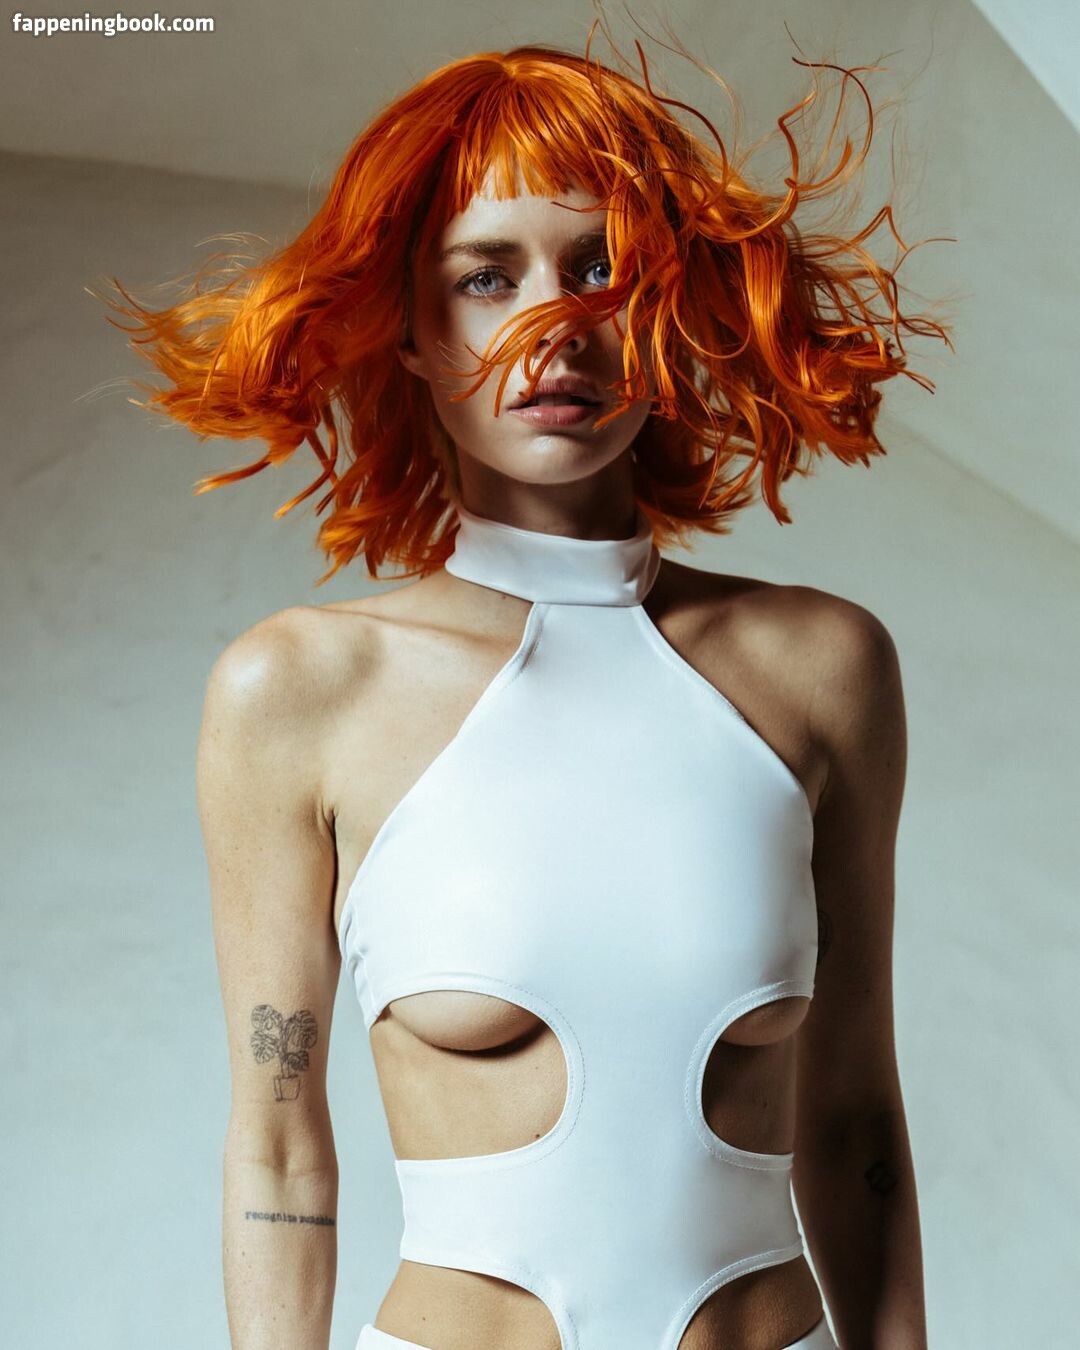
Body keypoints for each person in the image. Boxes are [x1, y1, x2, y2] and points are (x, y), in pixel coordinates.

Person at [102, 30, 948, 1350]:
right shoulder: (302, 691)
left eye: (601, 266)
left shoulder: (824, 668)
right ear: (412, 330)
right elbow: (279, 1147)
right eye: (486, 275)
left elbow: (855, 1120)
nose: (555, 327)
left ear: (667, 307)